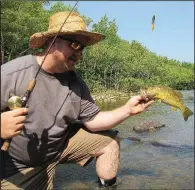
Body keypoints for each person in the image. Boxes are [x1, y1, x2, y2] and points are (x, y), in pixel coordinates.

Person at [1, 11, 154, 189]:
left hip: (59, 148)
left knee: (110, 141)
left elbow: (94, 121)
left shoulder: (77, 83)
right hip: (18, 167)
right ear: (52, 41)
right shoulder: (10, 74)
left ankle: (107, 187)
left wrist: (127, 110)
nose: (79, 53)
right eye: (74, 45)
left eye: (82, 48)